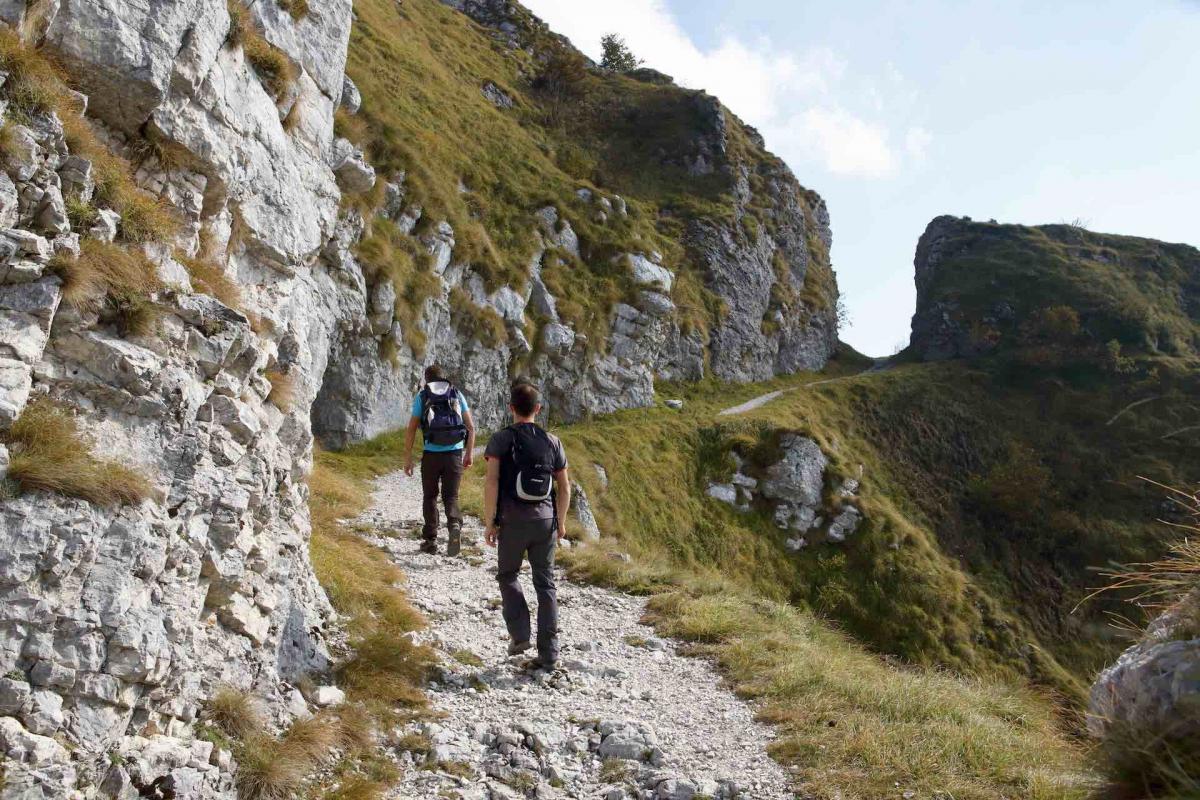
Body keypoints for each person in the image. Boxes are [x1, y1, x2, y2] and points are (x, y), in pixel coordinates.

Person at [483, 381, 570, 669]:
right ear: (538, 409)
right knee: (546, 585)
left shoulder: (500, 440)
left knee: (508, 575)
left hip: (512, 520)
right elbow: (565, 486)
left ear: (510, 408)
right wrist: (561, 523)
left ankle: (520, 635)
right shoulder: (553, 441)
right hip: (545, 521)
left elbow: (492, 482)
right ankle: (550, 654)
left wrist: (490, 522)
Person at [404, 365, 476, 556]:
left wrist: (408, 458)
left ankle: (430, 540)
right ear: (445, 378)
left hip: (431, 455)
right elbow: (471, 427)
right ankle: (454, 524)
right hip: (454, 455)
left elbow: (411, 429)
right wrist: (468, 453)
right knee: (451, 496)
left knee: (430, 496)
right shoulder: (456, 394)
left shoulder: (423, 396)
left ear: (426, 379)